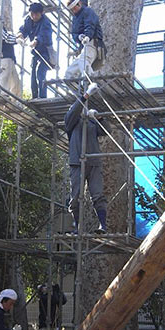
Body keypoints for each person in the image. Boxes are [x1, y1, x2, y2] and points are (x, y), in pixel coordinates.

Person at [64, 82, 107, 233]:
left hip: (94, 162)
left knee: (98, 194)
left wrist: (98, 118)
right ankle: (78, 226)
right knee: (75, 196)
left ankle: (103, 225)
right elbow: (73, 112)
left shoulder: (90, 123)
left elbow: (105, 131)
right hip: (77, 161)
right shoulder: (71, 123)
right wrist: (86, 95)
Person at [18, 2, 54, 99]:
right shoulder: (28, 19)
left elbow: (44, 34)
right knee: (33, 74)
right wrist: (20, 34)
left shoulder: (45, 22)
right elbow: (24, 29)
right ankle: (35, 97)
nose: (34, 16)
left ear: (41, 13)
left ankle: (42, 97)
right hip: (35, 52)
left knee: (40, 73)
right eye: (32, 14)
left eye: (36, 14)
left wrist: (36, 41)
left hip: (45, 52)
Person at [65, 0, 106, 79]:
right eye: (71, 9)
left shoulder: (88, 11)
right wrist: (79, 37)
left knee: (83, 61)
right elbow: (74, 33)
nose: (74, 10)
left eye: (74, 8)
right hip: (83, 46)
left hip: (93, 43)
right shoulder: (75, 19)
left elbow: (90, 25)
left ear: (79, 3)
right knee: (69, 73)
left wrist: (87, 36)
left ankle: (92, 84)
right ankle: (78, 90)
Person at [0, 4, 21, 96]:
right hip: (3, 55)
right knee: (4, 77)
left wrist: (16, 38)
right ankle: (2, 95)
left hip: (8, 56)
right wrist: (16, 40)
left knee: (15, 81)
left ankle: (15, 101)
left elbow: (6, 36)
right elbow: (5, 37)